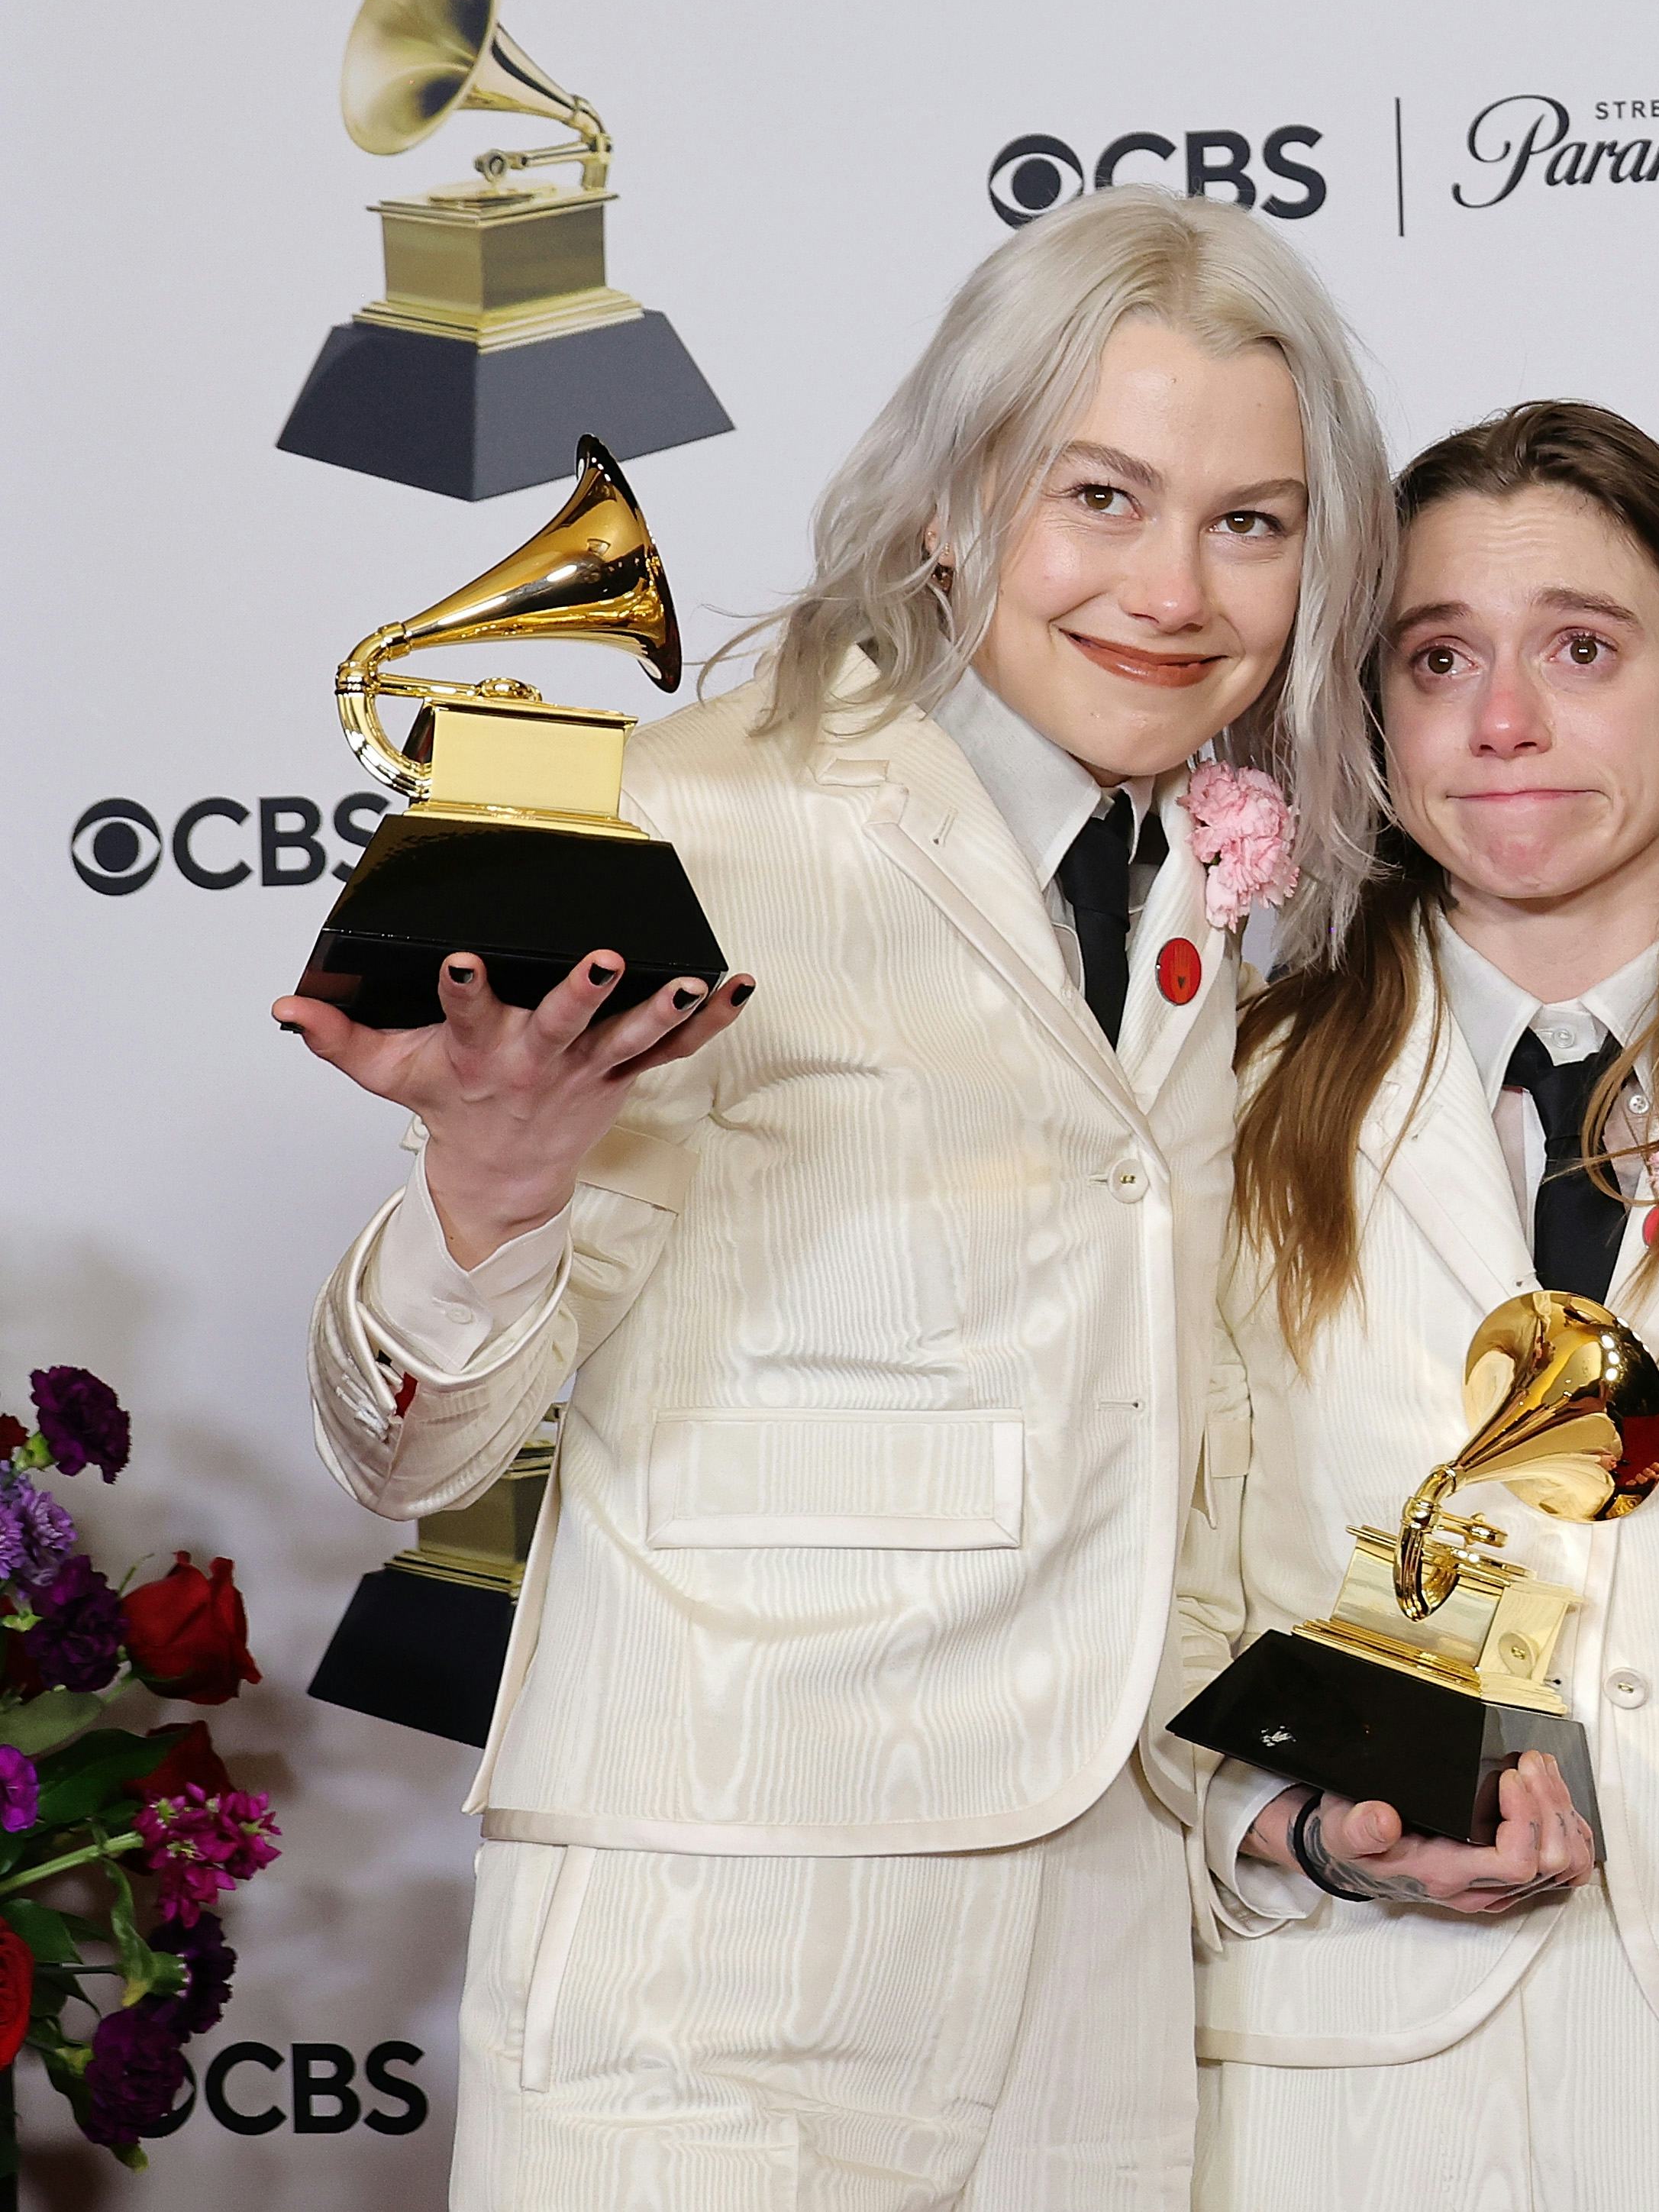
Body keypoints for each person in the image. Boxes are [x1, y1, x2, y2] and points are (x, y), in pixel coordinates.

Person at [282, 189, 1394, 2208]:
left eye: (1255, 519)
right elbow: (404, 1439)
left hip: (1105, 1977)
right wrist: (492, 1186)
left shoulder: (1228, 896)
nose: (1176, 585)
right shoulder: (695, 821)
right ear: (959, 498)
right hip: (730, 1948)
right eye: (1104, 496)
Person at [1173, 400, 1659, 2204]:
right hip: (1334, 2096)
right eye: (1439, 660)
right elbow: (1145, 1566)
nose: (1503, 723)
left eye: (1581, 650)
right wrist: (1302, 1830)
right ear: (1371, 712)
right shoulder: (1213, 1100)